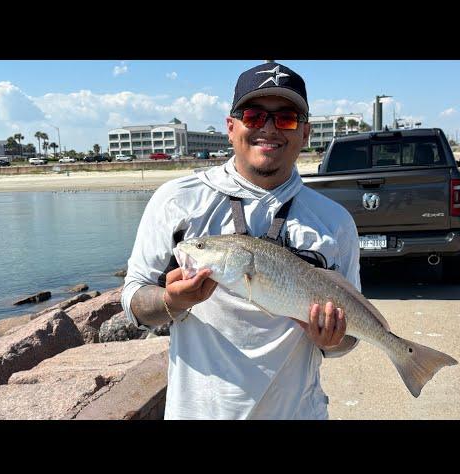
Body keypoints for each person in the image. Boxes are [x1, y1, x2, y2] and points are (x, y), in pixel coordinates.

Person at [122, 61, 361, 420]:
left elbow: (350, 338)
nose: (268, 128)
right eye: (254, 115)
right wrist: (173, 300)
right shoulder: (176, 201)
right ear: (231, 127)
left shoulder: (335, 222)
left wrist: (333, 339)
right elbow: (134, 300)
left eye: (286, 118)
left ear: (306, 133)